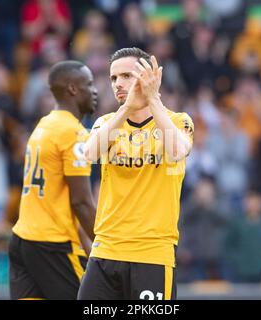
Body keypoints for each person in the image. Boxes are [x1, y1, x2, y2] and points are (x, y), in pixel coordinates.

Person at [79, 48, 194, 300]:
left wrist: (153, 100)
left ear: (149, 77)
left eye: (126, 76)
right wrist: (127, 108)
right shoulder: (107, 123)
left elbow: (177, 151)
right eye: (113, 78)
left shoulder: (178, 121)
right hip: (106, 249)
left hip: (151, 252)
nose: (118, 84)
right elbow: (89, 153)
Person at [8, 60, 98, 300]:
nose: (95, 91)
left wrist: (89, 249)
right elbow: (81, 203)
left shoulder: (44, 124)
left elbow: (63, 201)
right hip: (53, 244)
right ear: (72, 89)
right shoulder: (73, 132)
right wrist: (108, 246)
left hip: (22, 239)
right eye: (89, 84)